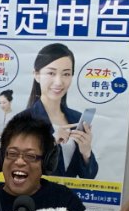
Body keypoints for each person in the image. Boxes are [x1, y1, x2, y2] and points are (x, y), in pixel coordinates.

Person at [26, 43, 98, 179]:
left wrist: (86, 151)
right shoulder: (24, 120)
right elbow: (20, 168)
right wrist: (52, 142)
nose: (59, 82)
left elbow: (89, 176)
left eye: (66, 74)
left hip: (69, 192)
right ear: (37, 75)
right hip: (37, 192)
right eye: (51, 73)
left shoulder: (76, 118)